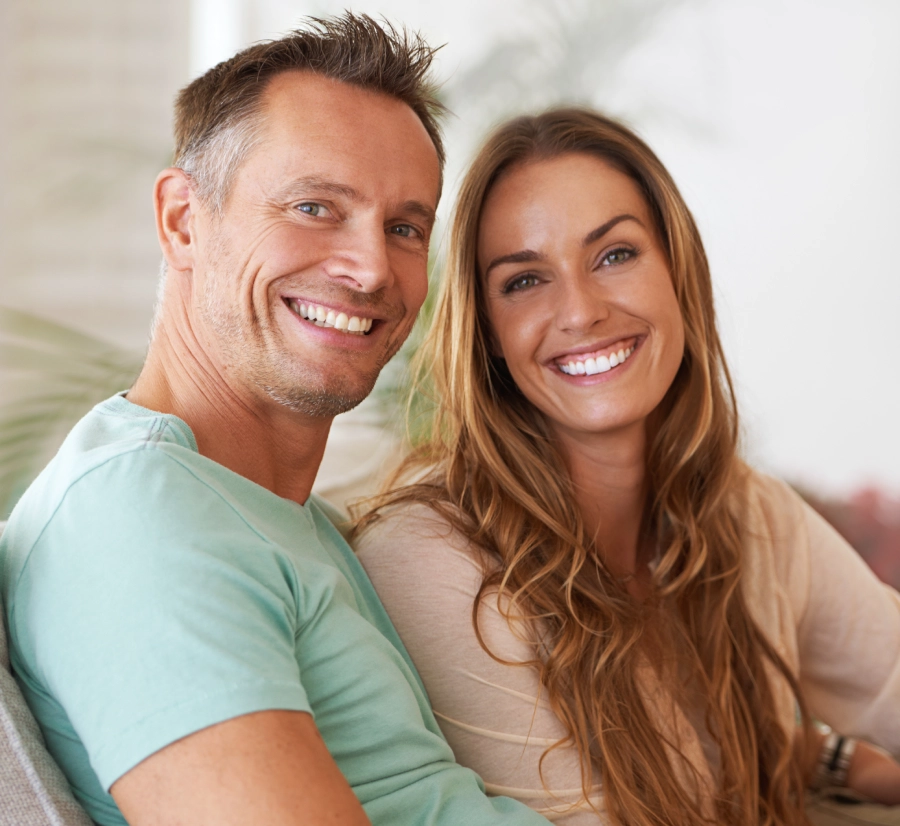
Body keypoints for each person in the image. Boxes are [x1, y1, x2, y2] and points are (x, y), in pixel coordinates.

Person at [0, 16, 554, 826]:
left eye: (404, 227)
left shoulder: (283, 517)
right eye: (313, 206)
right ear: (183, 220)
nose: (371, 268)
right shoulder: (138, 512)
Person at [353, 108, 900, 825]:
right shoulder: (436, 561)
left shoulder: (743, 511)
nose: (580, 311)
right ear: (488, 333)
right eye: (525, 280)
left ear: (678, 271)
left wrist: (824, 757)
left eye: (614, 255)